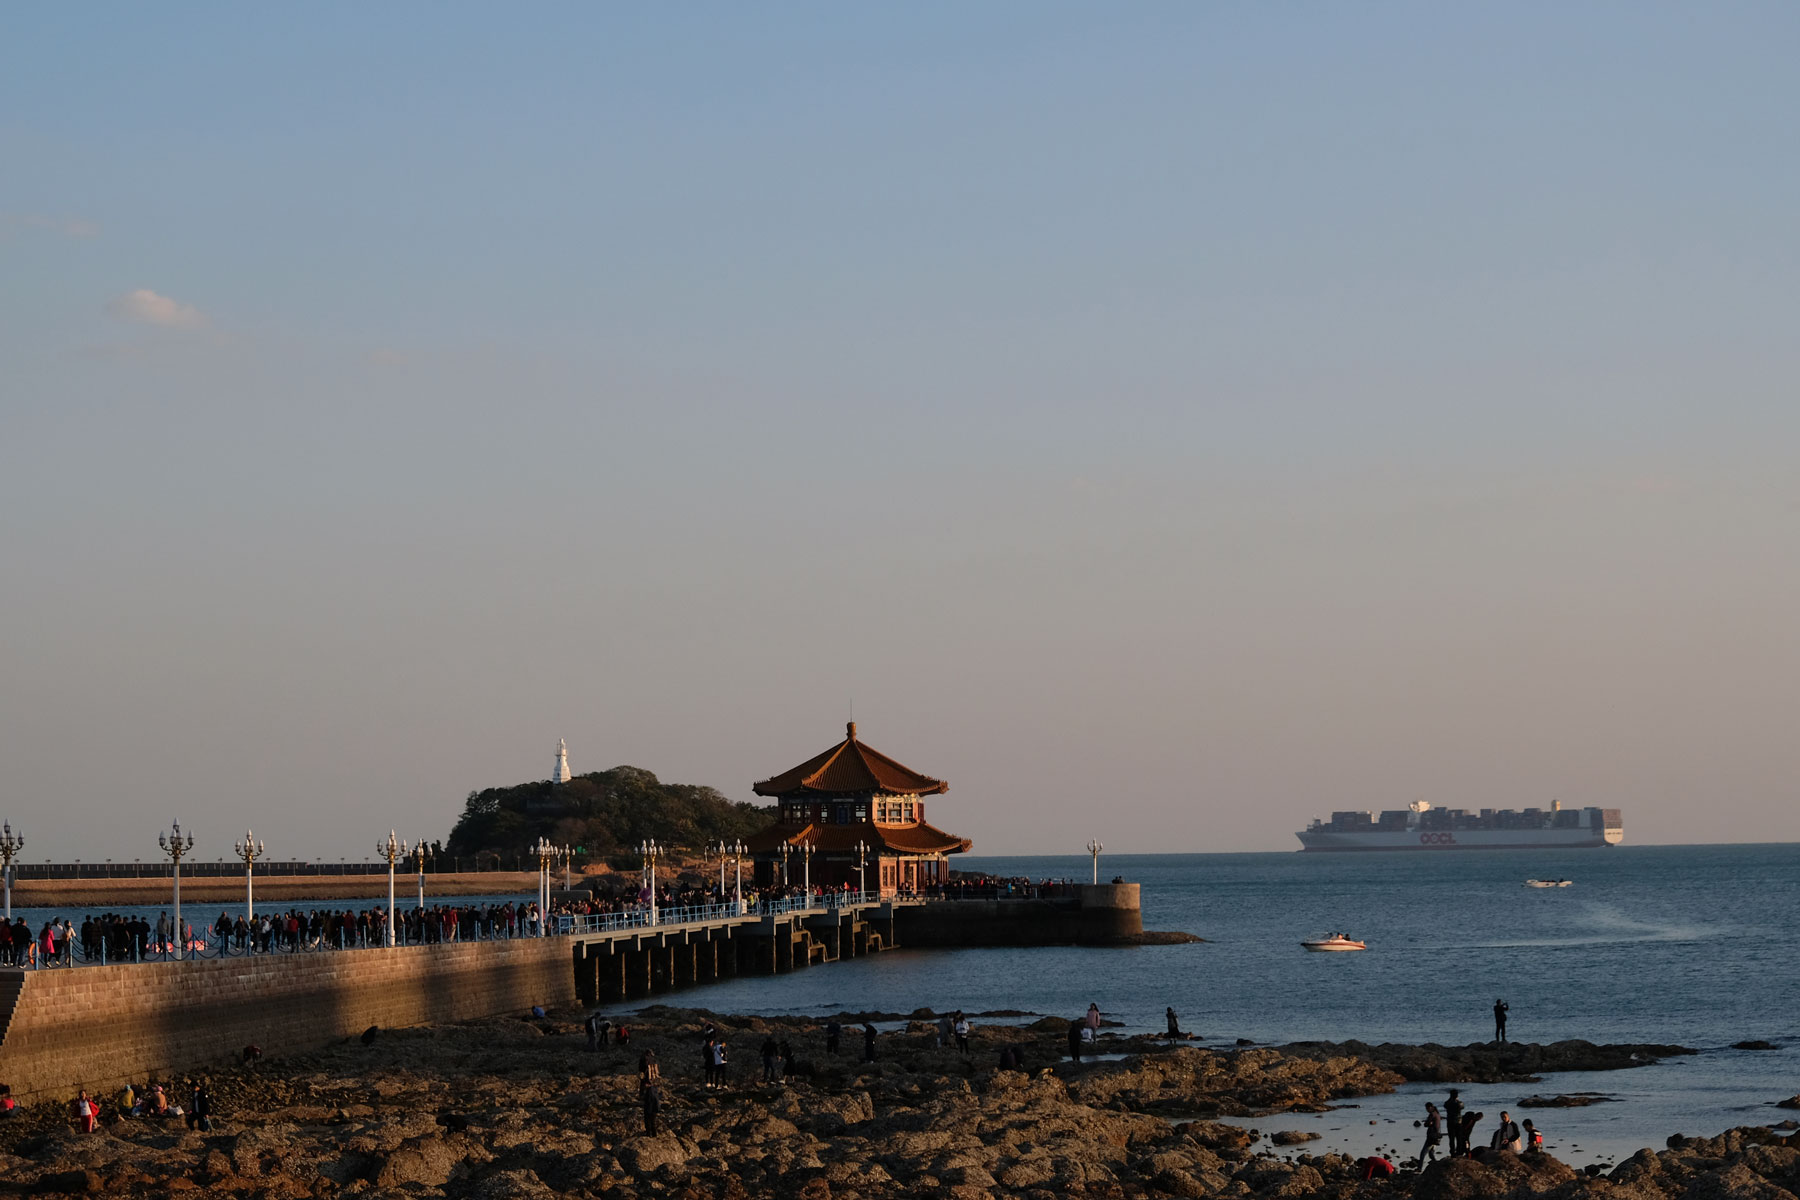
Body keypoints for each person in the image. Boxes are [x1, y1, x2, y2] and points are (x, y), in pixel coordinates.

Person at [638, 1051, 660, 1135]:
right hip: (655, 1088)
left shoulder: (644, 1062)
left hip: (648, 1089)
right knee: (654, 1112)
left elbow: (641, 1076)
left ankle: (648, 1133)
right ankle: (654, 1132)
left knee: (647, 1112)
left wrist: (641, 1092)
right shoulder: (654, 1061)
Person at [1443, 1089, 1464, 1156]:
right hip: (1458, 1121)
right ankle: (1459, 1151)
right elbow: (1462, 1106)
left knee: (1451, 1138)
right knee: (1459, 1137)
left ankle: (1452, 1152)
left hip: (1450, 1121)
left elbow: (1445, 1105)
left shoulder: (1447, 1103)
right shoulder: (1458, 1103)